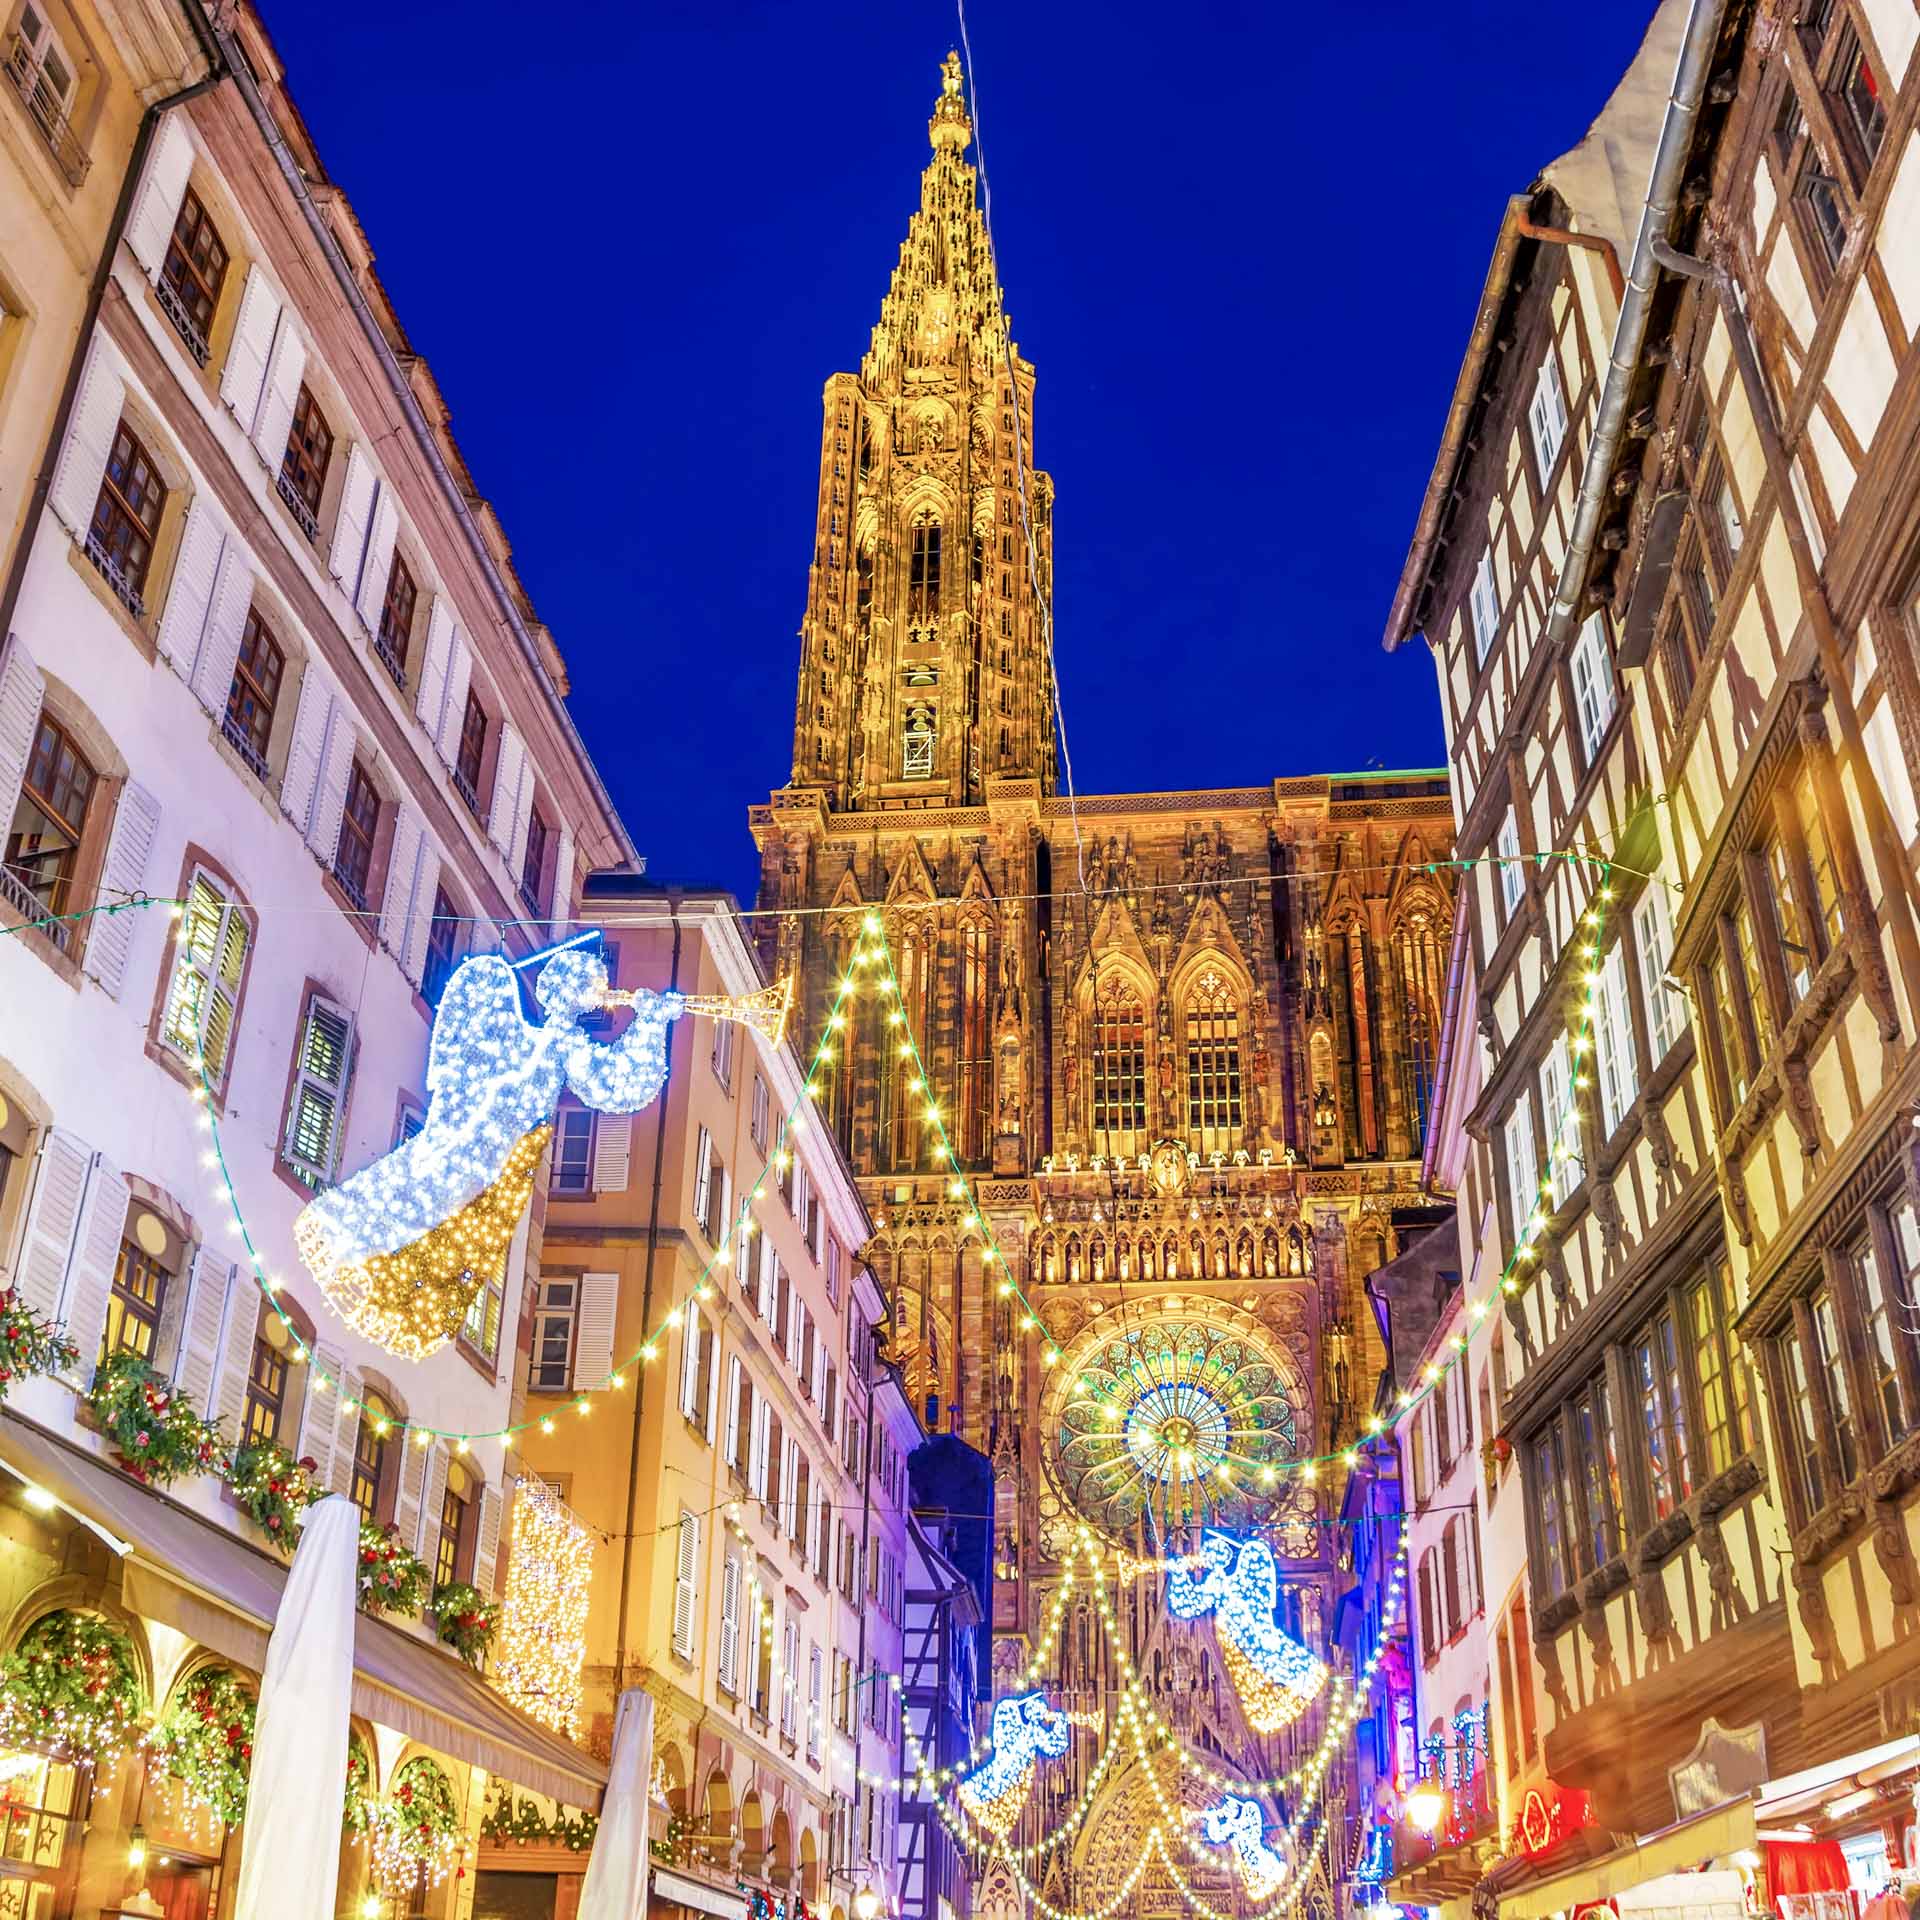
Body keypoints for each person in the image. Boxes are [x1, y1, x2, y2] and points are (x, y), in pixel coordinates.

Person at [293, 946, 681, 1358]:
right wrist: (650, 1022)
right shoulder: (557, 1042)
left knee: (437, 1225)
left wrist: (650, 1023)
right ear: (572, 991)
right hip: (487, 1147)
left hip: (493, 1153)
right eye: (593, 987)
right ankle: (378, 1276)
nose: (600, 996)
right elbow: (613, 1083)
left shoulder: (552, 1042)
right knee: (434, 1216)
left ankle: (387, 1283)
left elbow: (615, 1085)